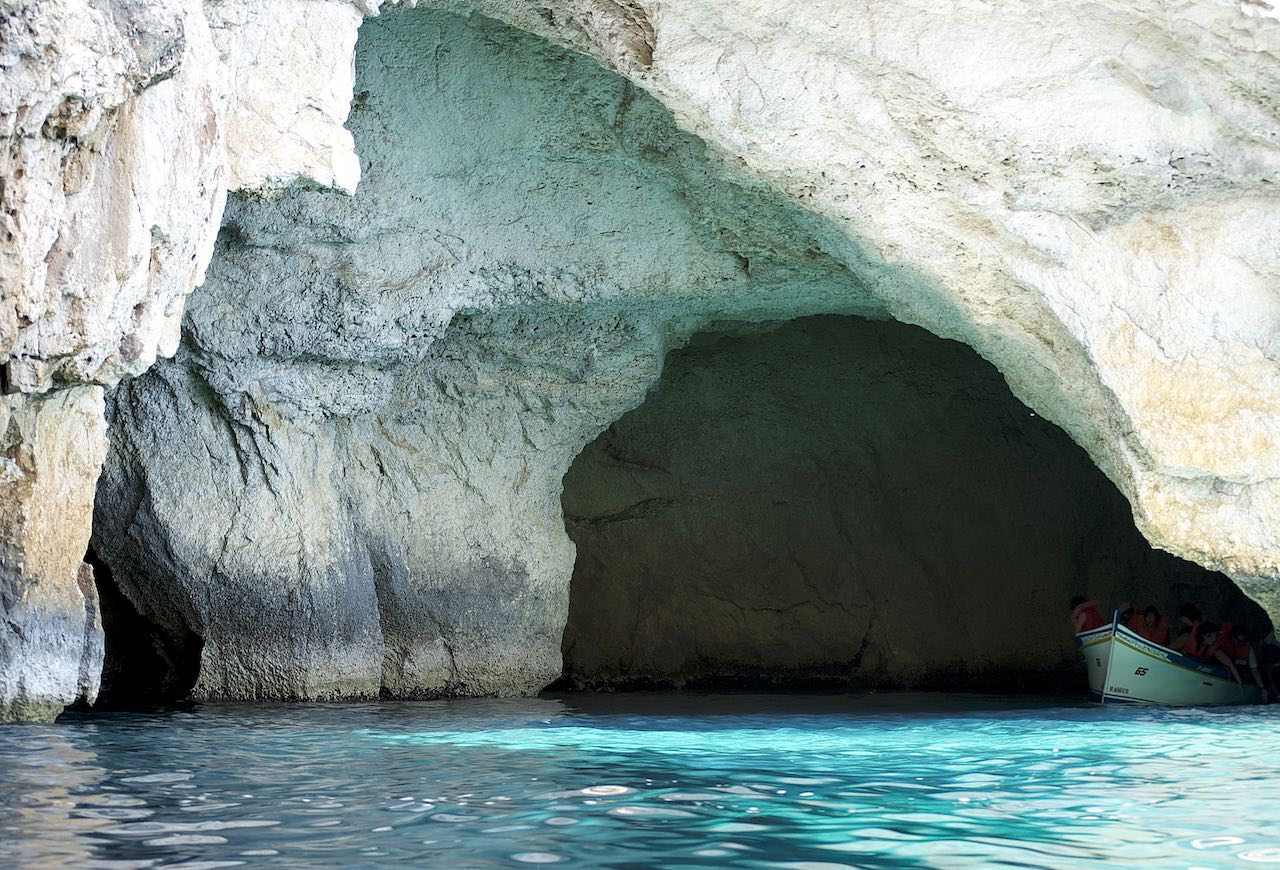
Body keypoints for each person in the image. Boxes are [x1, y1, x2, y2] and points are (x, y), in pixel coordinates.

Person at [1188, 621, 1244, 690]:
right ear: (1204, 635)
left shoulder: (1215, 650)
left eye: (1215, 636)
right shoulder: (1186, 638)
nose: (1214, 639)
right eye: (1212, 636)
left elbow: (1231, 666)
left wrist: (1240, 685)